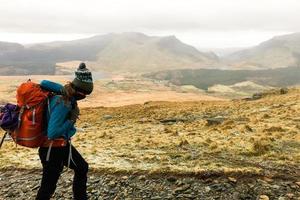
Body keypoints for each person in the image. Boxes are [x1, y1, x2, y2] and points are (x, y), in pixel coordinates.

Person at [36, 63, 93, 200]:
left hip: (61, 146)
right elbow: (53, 132)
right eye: (84, 93)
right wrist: (71, 120)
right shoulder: (64, 102)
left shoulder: (65, 95)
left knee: (82, 167)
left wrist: (63, 90)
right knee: (48, 186)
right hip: (53, 149)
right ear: (78, 90)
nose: (84, 96)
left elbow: (44, 82)